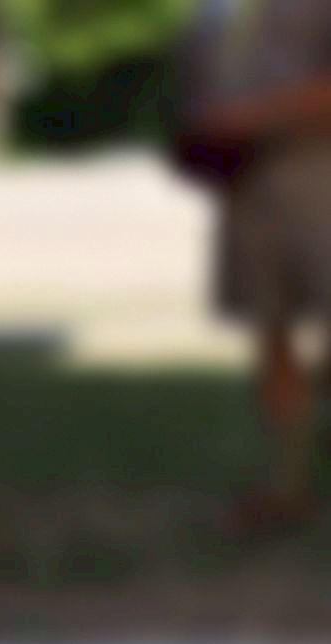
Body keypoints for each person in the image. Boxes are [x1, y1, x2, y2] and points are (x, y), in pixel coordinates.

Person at [170, 0, 331, 531]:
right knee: (271, 333)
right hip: (247, 189)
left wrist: (248, 117)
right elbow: (199, 91)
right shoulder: (208, 10)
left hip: (320, 176)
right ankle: (287, 486)